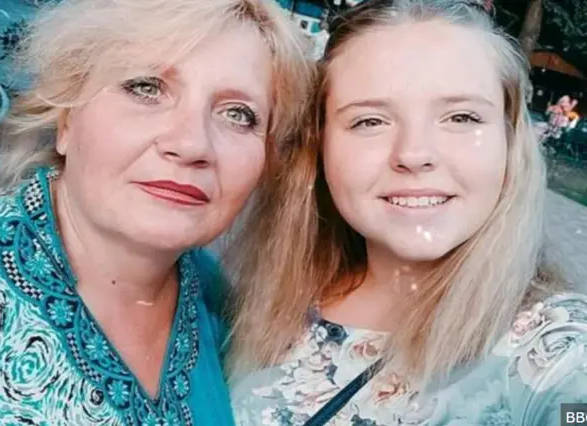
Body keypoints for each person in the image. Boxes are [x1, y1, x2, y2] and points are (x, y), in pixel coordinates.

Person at [0, 0, 312, 423]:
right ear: (66, 118)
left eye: (238, 114)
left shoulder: (220, 305)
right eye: (146, 87)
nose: (193, 143)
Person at [228, 1, 587, 425]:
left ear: (510, 142)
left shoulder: (557, 351)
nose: (414, 154)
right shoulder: (258, 300)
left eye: (461, 116)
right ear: (319, 142)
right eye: (370, 121)